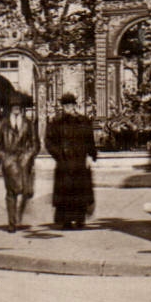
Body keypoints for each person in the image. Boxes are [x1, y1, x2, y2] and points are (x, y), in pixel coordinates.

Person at [46, 92, 99, 229]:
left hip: (80, 161)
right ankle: (67, 221)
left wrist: (90, 155)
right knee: (66, 192)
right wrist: (58, 154)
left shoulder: (83, 121)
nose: (68, 107)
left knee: (80, 191)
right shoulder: (56, 122)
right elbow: (49, 141)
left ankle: (80, 219)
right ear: (62, 107)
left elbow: (89, 140)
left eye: (71, 104)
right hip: (64, 162)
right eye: (65, 105)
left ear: (75, 105)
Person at [0, 96, 39, 231]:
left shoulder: (28, 124)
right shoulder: (2, 125)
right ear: (10, 109)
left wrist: (28, 155)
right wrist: (4, 157)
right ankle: (12, 223)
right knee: (11, 193)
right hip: (10, 162)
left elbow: (35, 144)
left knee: (26, 191)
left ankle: (19, 216)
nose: (16, 109)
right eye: (13, 107)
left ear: (21, 109)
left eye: (18, 107)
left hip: (24, 162)